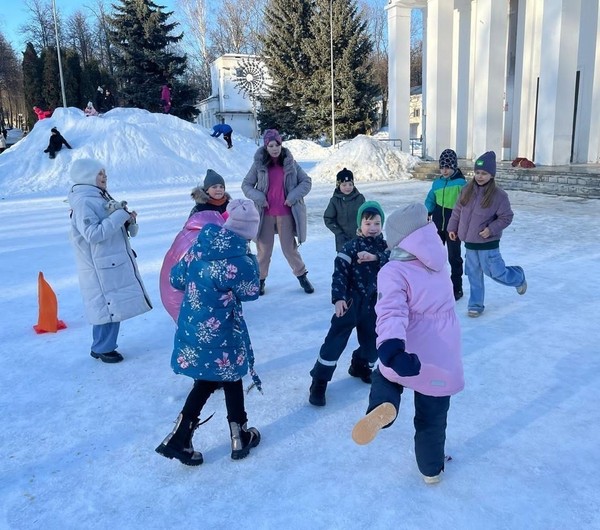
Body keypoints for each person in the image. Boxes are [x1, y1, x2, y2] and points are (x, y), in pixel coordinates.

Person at [351, 202, 464, 485]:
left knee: (387, 375)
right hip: (441, 354)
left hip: (406, 347)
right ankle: (431, 470)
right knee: (432, 419)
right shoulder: (438, 260)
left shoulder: (393, 271)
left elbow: (392, 311)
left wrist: (390, 346)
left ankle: (383, 408)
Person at [155, 199, 262, 466]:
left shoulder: (200, 247)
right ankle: (238, 435)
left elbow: (176, 278)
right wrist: (249, 258)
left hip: (192, 325)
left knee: (210, 377)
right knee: (229, 373)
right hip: (222, 330)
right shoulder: (238, 260)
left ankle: (180, 435)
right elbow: (251, 291)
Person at [67, 159, 152, 363]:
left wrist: (127, 220)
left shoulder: (98, 197)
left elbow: (111, 228)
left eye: (105, 173)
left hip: (109, 262)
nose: (105, 177)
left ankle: (101, 346)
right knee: (108, 306)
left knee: (111, 305)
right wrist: (119, 216)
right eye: (100, 174)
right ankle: (103, 348)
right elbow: (93, 234)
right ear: (87, 176)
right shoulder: (84, 201)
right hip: (99, 266)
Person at [309, 201, 389, 406]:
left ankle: (361, 365)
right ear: (359, 225)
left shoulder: (385, 247)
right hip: (351, 302)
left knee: (373, 342)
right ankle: (319, 381)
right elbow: (339, 276)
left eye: (377, 224)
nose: (373, 228)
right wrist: (339, 299)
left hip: (373, 304)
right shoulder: (350, 247)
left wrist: (375, 257)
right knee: (335, 342)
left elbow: (395, 261)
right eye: (368, 223)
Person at [447, 151, 527, 317]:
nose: (480, 176)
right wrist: (452, 228)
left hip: (487, 244)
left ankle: (518, 277)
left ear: (492, 175)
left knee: (496, 273)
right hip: (469, 243)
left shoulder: (499, 196)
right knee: (473, 275)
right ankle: (476, 304)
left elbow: (507, 217)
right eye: (477, 172)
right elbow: (457, 211)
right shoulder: (466, 191)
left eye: (484, 173)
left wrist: (491, 229)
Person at [242, 129, 313, 296]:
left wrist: (292, 197)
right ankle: (260, 280)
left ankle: (302, 276)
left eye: (277, 145)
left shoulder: (290, 162)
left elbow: (306, 182)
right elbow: (246, 185)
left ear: (281, 144)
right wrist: (260, 198)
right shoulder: (259, 164)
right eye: (271, 145)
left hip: (286, 213)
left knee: (289, 249)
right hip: (265, 214)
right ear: (266, 146)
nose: (274, 148)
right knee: (264, 250)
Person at [424, 149, 467, 300]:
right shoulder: (437, 183)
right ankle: (434, 286)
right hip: (437, 225)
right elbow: (430, 199)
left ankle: (457, 287)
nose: (445, 170)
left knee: (454, 257)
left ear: (454, 166)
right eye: (442, 167)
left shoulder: (461, 184)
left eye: (448, 166)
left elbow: (466, 203)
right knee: (434, 256)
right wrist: (428, 211)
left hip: (453, 227)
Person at [323, 167, 366, 251]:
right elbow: (328, 218)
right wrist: (338, 233)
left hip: (359, 239)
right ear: (338, 185)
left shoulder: (360, 198)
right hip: (342, 242)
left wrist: (364, 230)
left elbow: (366, 216)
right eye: (344, 185)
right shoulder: (335, 201)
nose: (348, 187)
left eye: (350, 184)